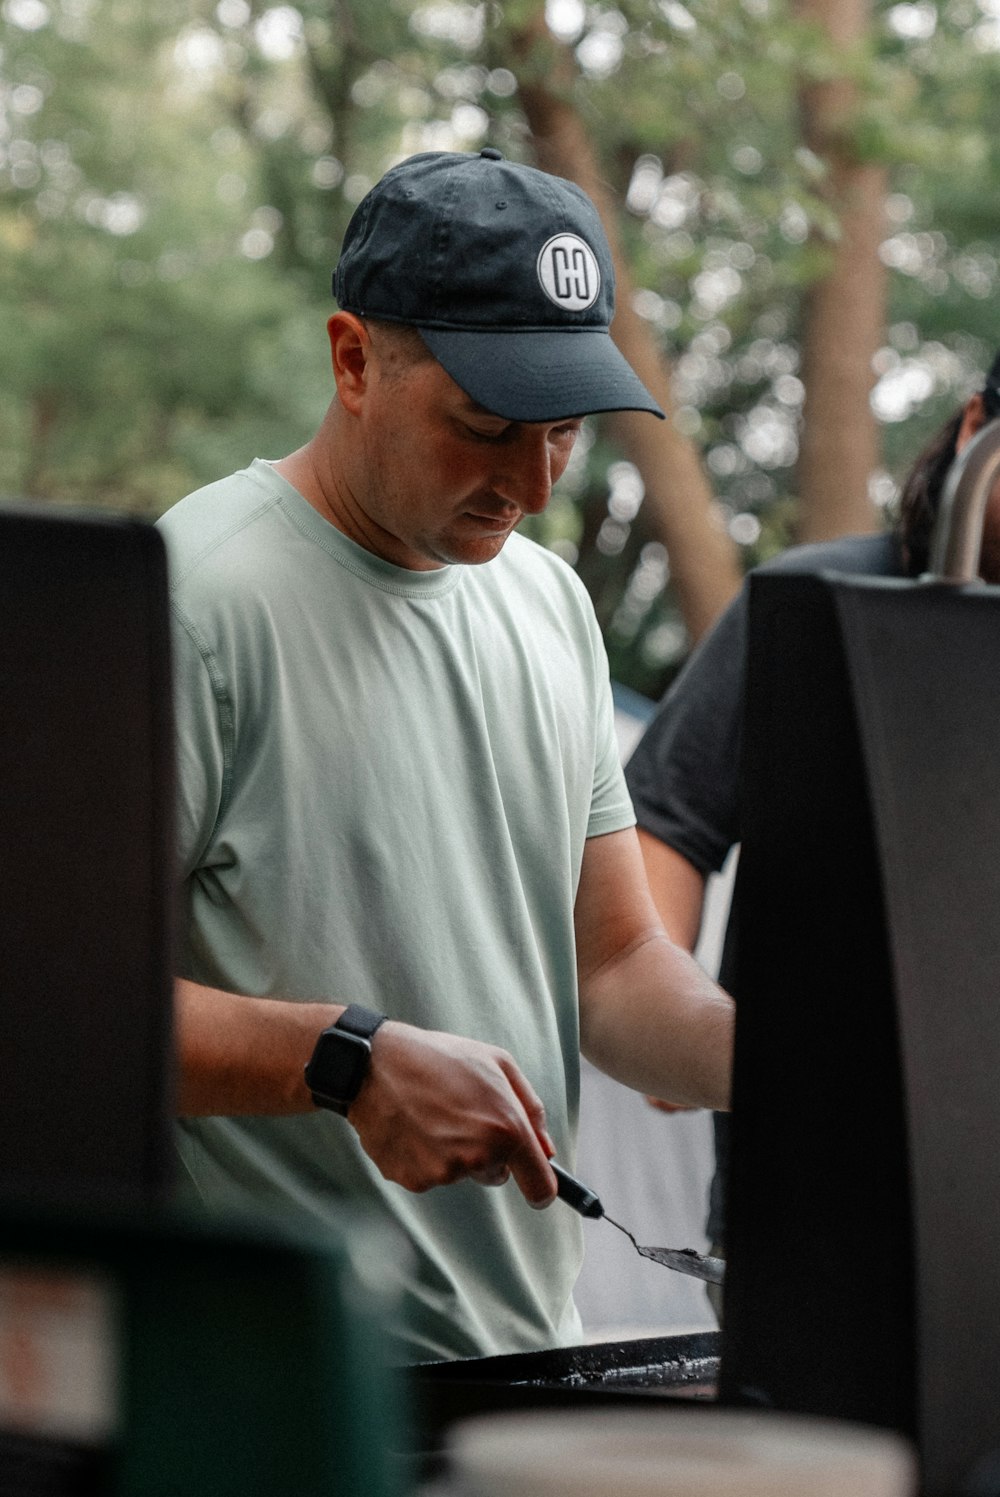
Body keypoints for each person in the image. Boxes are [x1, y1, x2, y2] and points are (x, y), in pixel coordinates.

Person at [158, 148, 734, 1365]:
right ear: (354, 359)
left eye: (566, 433)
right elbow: (55, 1014)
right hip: (269, 1387)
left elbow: (617, 965)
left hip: (528, 1361)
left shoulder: (547, 605)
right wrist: (344, 1062)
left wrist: (801, 1063)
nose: (528, 482)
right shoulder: (194, 599)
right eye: (485, 426)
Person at [625, 349, 1000, 1293]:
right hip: (802, 1216)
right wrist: (664, 1012)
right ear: (972, 433)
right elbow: (665, 815)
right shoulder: (808, 608)